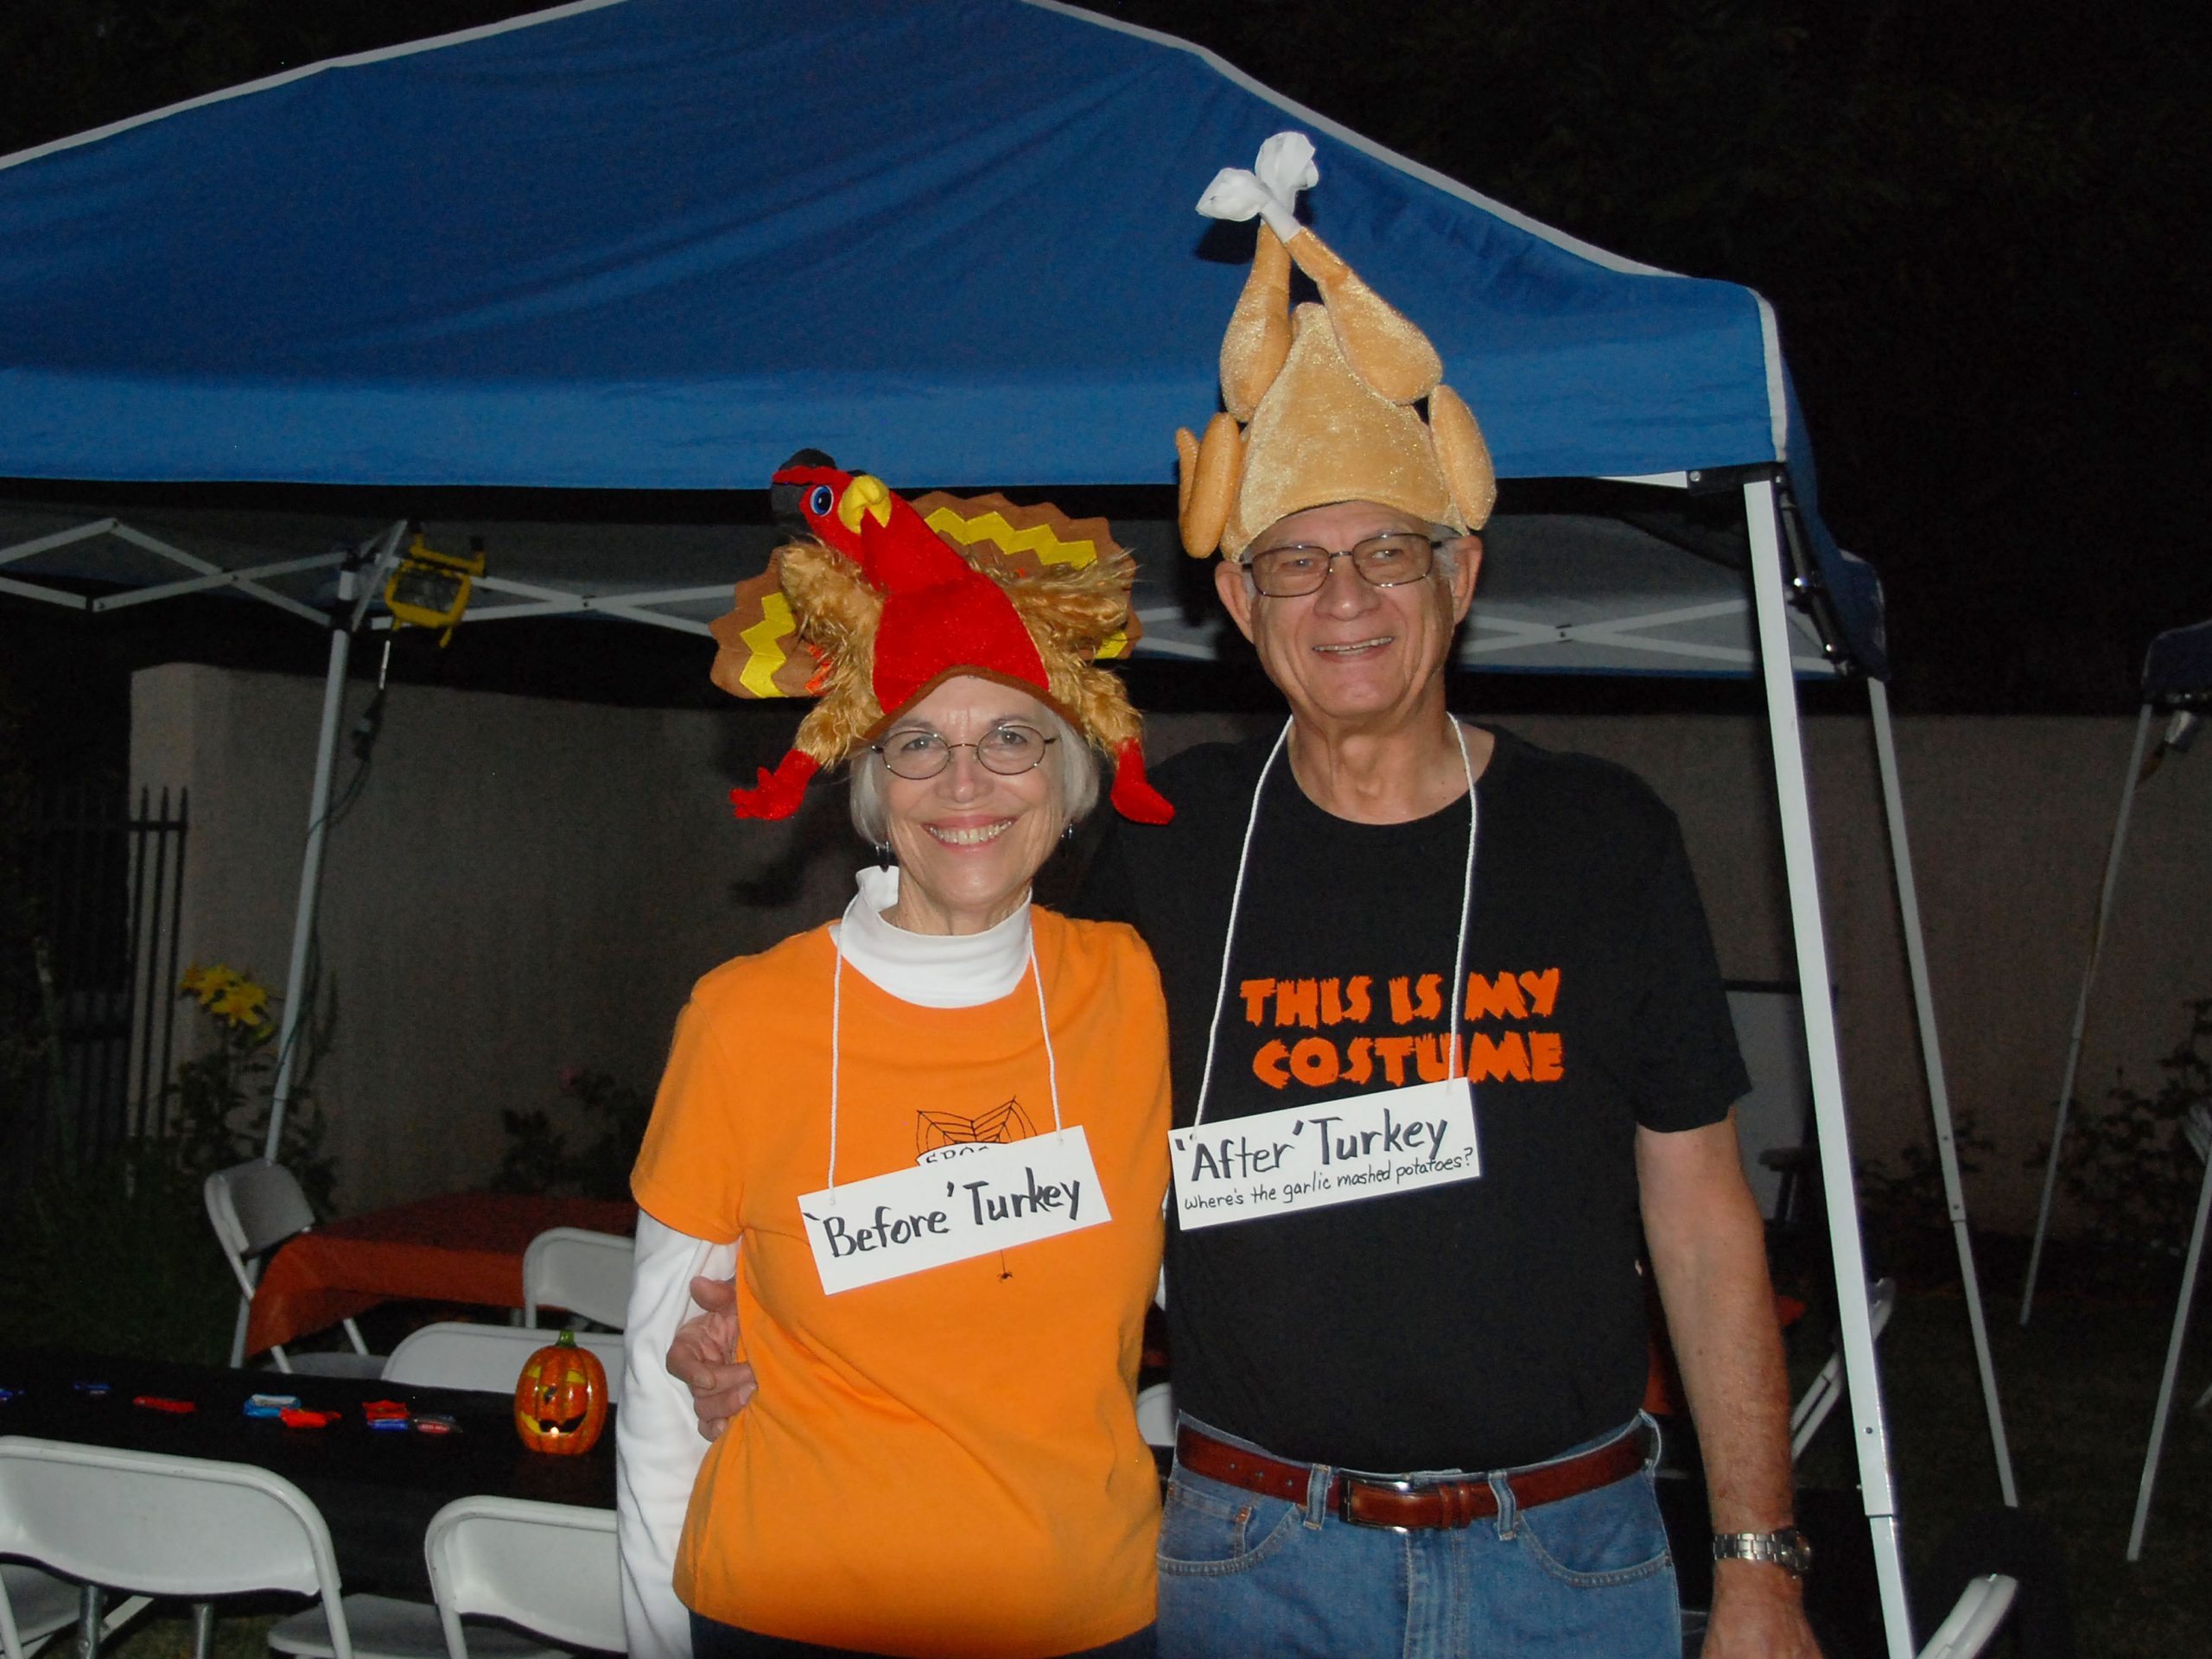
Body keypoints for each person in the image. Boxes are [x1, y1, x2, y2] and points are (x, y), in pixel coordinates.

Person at [673, 139, 1821, 1658]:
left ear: (1461, 576)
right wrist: (754, 1292)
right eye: (1295, 563)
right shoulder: (1172, 832)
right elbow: (968, 1032)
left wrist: (1756, 1563)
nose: (1344, 602)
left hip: (1569, 1549)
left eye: (1387, 555)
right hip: (1250, 1554)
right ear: (1236, 602)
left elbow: (1700, 1211)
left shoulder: (1600, 835)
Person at [618, 459, 1176, 1659]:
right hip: (791, 1611)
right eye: (916, 744)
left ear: (1070, 776)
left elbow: (1224, 1280)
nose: (964, 784)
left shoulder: (1135, 989)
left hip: (1078, 1616)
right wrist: (658, 1634)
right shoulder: (745, 1018)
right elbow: (665, 1372)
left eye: (1011, 739)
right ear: (868, 783)